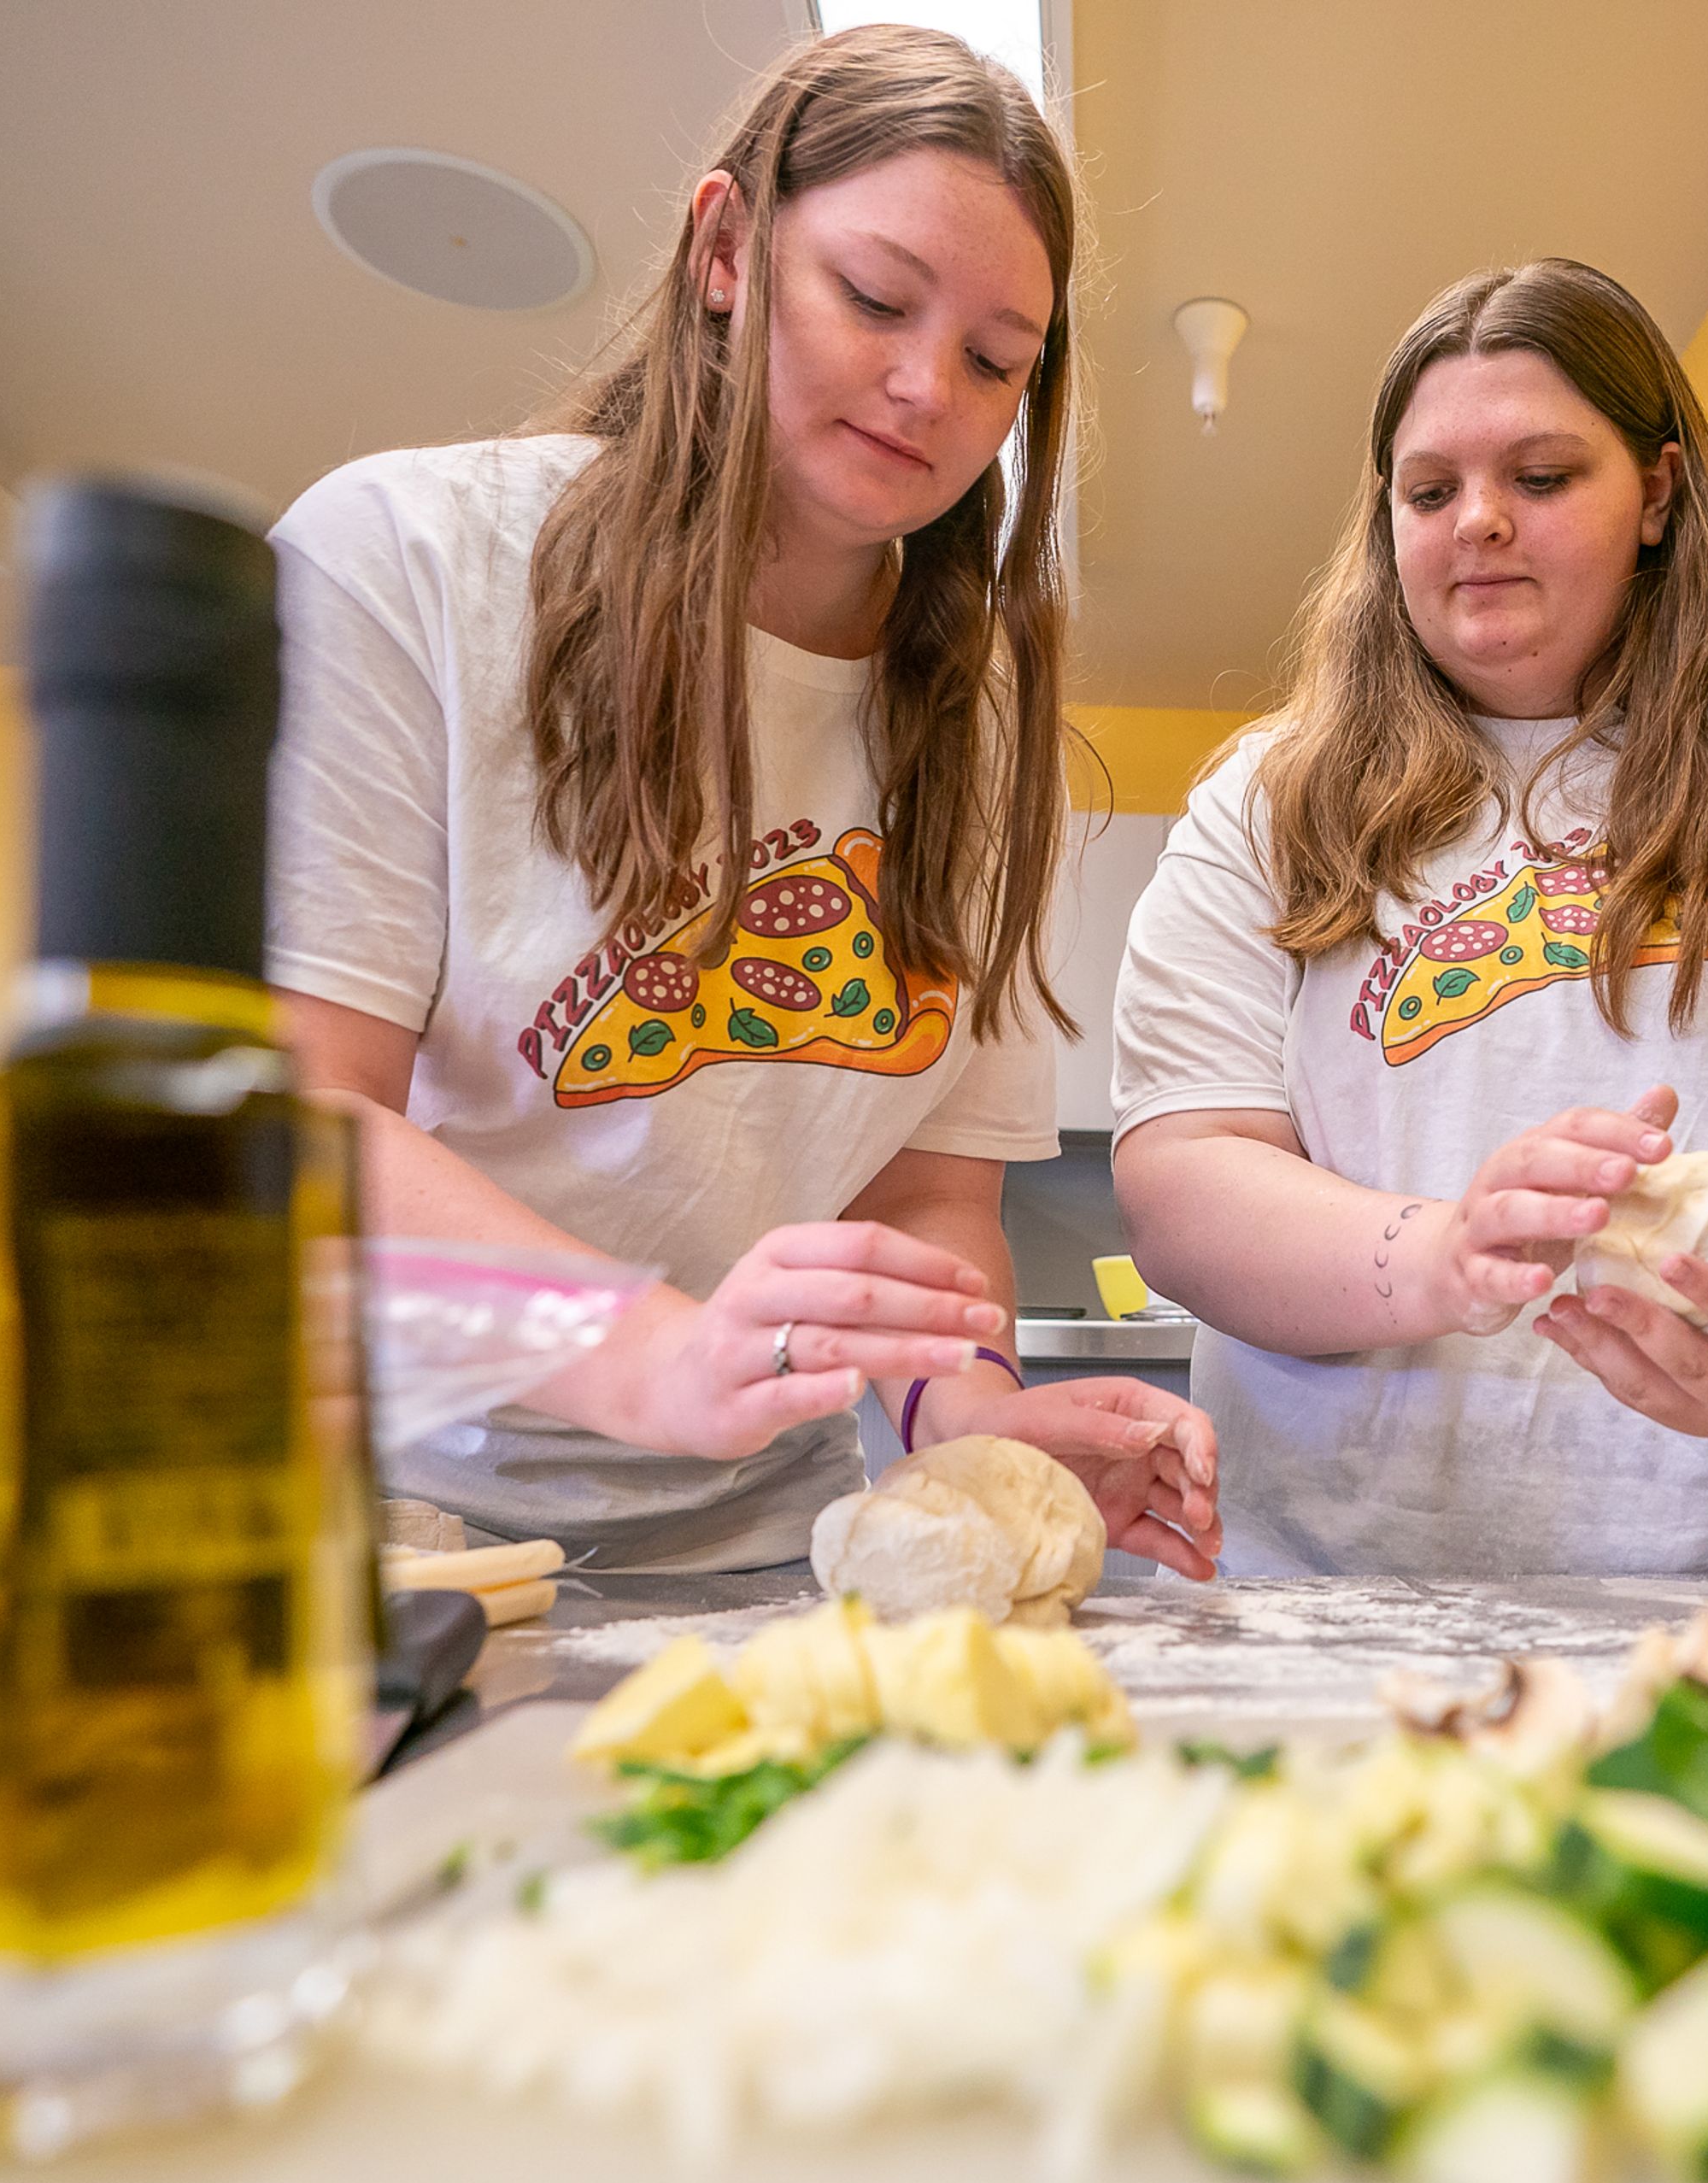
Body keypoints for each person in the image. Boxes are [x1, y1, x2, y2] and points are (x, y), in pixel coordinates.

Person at [263, 25, 1217, 1574]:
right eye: (874, 300)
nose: (925, 389)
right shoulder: (408, 566)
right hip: (389, 1530)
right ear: (725, 248)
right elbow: (312, 1116)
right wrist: (654, 1354)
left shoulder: (978, 728)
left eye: (994, 361)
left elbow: (923, 1198)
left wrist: (966, 1417)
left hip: (758, 1547)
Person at [1108, 259, 1708, 1577]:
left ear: (1660, 494)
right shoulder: (1268, 800)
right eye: (1430, 491)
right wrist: (1448, 1250)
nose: (1479, 524)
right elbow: (1183, 1189)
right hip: (1331, 1600)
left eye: (1542, 476)